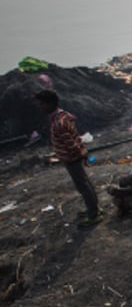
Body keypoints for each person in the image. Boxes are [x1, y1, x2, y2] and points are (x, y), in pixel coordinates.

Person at [34, 89, 102, 227]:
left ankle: (94, 214)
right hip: (74, 156)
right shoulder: (63, 115)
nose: (41, 107)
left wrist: (77, 155)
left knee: (83, 186)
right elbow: (74, 137)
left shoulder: (59, 123)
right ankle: (93, 208)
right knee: (85, 183)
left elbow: (70, 143)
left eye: (42, 104)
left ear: (51, 103)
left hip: (72, 159)